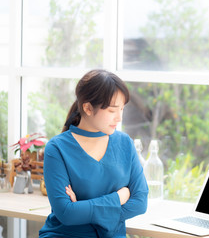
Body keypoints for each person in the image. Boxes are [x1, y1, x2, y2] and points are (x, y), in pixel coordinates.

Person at [39, 69, 148, 238]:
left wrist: (83, 209)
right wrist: (118, 198)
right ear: (88, 108)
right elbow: (66, 214)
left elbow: (140, 203)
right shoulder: (57, 148)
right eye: (112, 110)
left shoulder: (125, 143)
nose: (119, 117)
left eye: (122, 109)